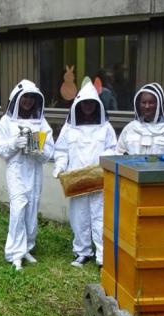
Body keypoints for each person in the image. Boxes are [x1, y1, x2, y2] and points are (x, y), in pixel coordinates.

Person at [53, 82, 117, 268]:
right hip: (77, 179)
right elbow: (61, 151)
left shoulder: (106, 128)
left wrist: (105, 159)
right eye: (85, 103)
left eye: (91, 103)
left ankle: (102, 256)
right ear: (78, 105)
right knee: (79, 216)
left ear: (97, 105)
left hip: (99, 179)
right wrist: (59, 166)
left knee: (100, 217)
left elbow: (114, 149)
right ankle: (82, 252)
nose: (88, 106)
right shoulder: (69, 128)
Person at [0, 80, 55, 271]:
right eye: (25, 97)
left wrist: (38, 151)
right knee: (19, 207)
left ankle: (27, 247)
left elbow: (49, 152)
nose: (28, 101)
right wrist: (14, 143)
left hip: (34, 170)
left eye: (31, 98)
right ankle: (15, 253)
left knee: (32, 207)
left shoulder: (41, 122)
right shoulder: (6, 121)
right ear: (17, 99)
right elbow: (0, 149)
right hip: (16, 169)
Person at [116, 82, 164, 157]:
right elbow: (119, 154)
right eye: (144, 103)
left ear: (159, 105)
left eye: (151, 103)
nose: (147, 106)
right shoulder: (130, 128)